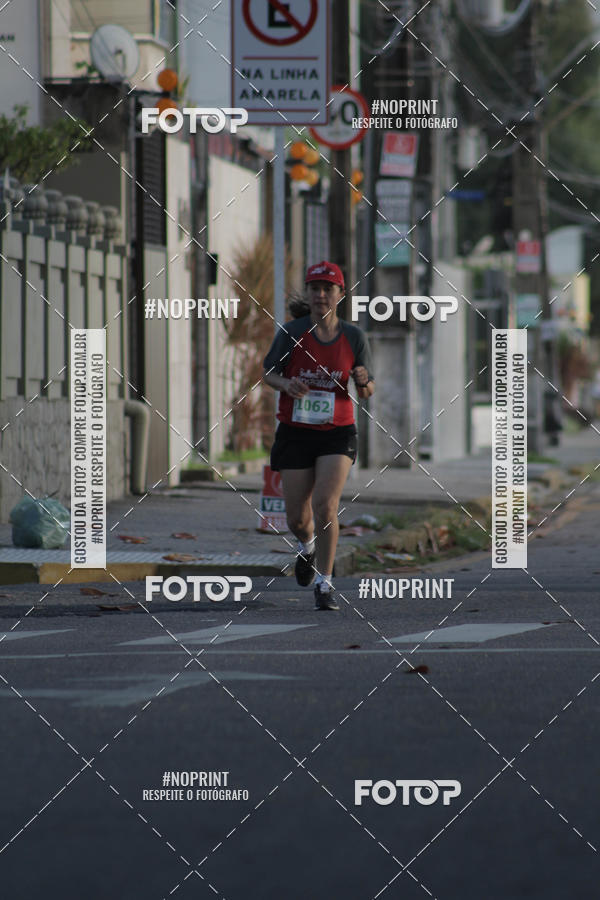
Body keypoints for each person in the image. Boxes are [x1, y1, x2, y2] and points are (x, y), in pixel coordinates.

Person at [263, 261, 375, 610]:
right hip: (295, 432)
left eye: (328, 289)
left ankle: (325, 584)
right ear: (309, 293)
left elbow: (367, 390)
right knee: (297, 519)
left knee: (326, 506)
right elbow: (269, 373)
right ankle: (307, 546)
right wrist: (287, 384)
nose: (321, 295)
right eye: (315, 288)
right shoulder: (292, 332)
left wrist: (363, 381)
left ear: (341, 294)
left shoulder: (354, 337)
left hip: (337, 433)